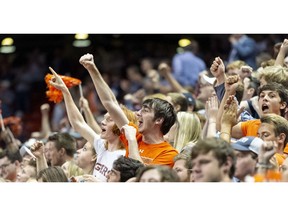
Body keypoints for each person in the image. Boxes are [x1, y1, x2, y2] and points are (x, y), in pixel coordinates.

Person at [79, 53, 178, 167]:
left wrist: (131, 141)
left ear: (159, 120)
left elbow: (141, 177)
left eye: (145, 111)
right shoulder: (136, 135)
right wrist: (92, 69)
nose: (137, 113)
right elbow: (110, 103)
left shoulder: (169, 154)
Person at [48, 67, 138, 182]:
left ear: (121, 125)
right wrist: (65, 92)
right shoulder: (101, 146)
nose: (102, 122)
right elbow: (78, 123)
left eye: (109, 120)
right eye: (104, 118)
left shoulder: (125, 156)